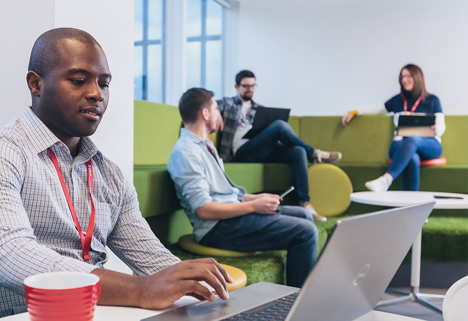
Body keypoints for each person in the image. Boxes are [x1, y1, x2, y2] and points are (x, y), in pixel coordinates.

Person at [0, 28, 232, 321]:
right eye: (78, 81)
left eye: (104, 84)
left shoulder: (109, 174)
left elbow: (153, 261)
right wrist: (140, 289)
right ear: (36, 84)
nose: (97, 94)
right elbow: (8, 257)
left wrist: (198, 288)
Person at [168, 87, 318, 288]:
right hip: (217, 229)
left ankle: (300, 288)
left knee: (304, 215)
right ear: (205, 113)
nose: (219, 114)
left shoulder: (205, 145)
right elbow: (203, 210)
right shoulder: (186, 152)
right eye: (216, 109)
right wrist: (254, 207)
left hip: (231, 218)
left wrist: (255, 198)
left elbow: (222, 193)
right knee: (306, 231)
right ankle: (297, 302)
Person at [217, 70, 342, 222]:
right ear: (236, 86)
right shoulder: (227, 104)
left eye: (253, 85)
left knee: (298, 151)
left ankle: (303, 202)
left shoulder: (259, 109)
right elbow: (209, 106)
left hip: (259, 149)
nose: (250, 89)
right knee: (280, 126)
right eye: (245, 86)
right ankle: (315, 154)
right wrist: (217, 114)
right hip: (241, 153)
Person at [342, 64, 445, 192]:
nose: (404, 79)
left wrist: (437, 128)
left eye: (408, 75)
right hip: (400, 144)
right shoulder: (397, 100)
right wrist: (355, 112)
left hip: (429, 145)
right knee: (413, 158)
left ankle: (386, 179)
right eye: (402, 76)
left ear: (418, 77)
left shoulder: (432, 100)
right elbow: (377, 110)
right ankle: (411, 206)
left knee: (413, 139)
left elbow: (441, 123)